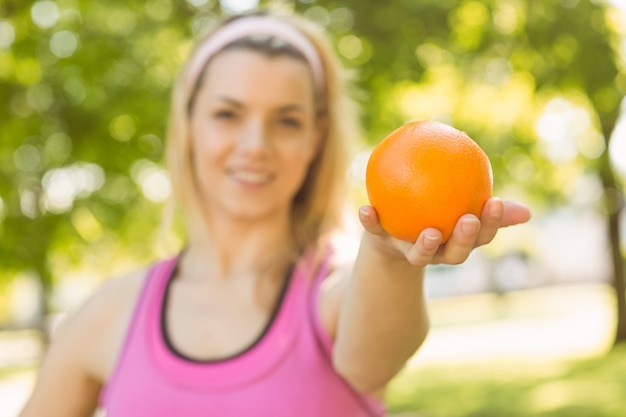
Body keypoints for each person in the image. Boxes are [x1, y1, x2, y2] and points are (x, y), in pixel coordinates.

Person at [18, 8, 531, 417]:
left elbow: (372, 358)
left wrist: (391, 255)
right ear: (189, 124)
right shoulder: (110, 313)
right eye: (227, 113)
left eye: (286, 121)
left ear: (315, 139)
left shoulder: (333, 291)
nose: (254, 145)